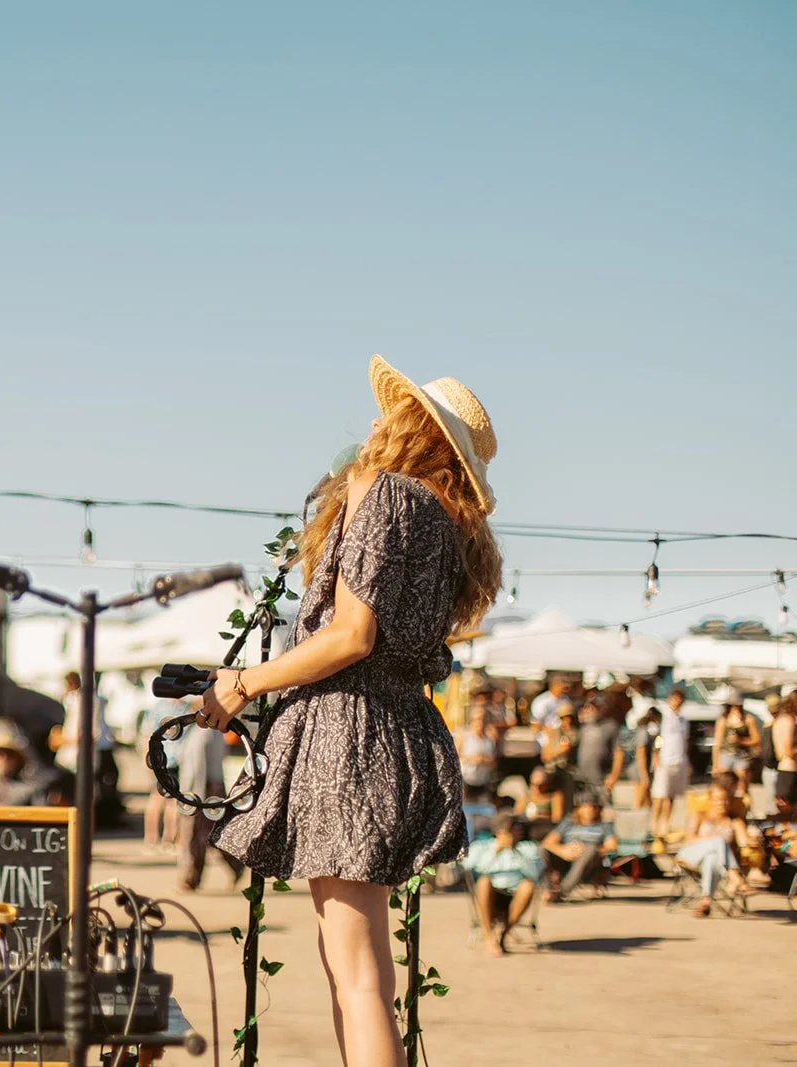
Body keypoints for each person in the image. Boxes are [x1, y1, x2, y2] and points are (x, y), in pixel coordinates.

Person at [204, 356, 500, 1066]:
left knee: (356, 971)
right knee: (354, 965)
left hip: (352, 734)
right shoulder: (446, 523)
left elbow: (351, 635)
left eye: (389, 411)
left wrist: (243, 683)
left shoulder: (388, 494)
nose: (373, 420)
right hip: (398, 731)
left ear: (413, 429)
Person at [176, 716, 243, 891]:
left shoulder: (205, 733)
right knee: (212, 834)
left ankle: (190, 879)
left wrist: (193, 801)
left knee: (196, 836)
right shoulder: (209, 732)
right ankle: (234, 865)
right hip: (205, 790)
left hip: (201, 792)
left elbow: (199, 768)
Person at [464, 814, 542, 957]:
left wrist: (516, 851)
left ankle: (503, 933)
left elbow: (535, 875)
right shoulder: (481, 847)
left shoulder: (528, 848)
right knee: (484, 882)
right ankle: (488, 936)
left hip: (515, 894)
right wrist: (496, 851)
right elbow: (473, 871)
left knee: (528, 886)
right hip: (489, 895)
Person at [52, 670, 122, 826]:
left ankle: (84, 828)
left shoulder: (87, 701)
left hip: (79, 757)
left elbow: (90, 734)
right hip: (72, 757)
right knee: (74, 795)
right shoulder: (77, 700)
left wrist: (65, 740)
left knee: (84, 796)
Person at [676, 780, 753, 916]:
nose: (721, 803)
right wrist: (713, 841)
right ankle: (735, 877)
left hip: (717, 863)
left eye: (725, 800)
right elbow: (689, 840)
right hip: (690, 856)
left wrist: (753, 838)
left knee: (712, 858)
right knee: (718, 841)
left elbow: (744, 843)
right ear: (710, 799)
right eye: (717, 799)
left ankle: (705, 902)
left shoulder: (735, 822)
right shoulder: (699, 816)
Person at [540, 795, 618, 902]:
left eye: (595, 807)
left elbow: (612, 846)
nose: (591, 810)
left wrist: (586, 850)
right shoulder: (568, 823)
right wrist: (563, 851)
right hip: (566, 856)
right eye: (587, 807)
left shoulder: (604, 826)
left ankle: (562, 891)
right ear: (579, 809)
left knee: (590, 849)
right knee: (541, 849)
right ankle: (547, 890)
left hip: (589, 861)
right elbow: (548, 842)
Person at [651, 687, 693, 850]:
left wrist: (687, 762)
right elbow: (656, 738)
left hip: (679, 760)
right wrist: (656, 757)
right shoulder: (663, 717)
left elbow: (685, 742)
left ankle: (665, 825)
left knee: (672, 795)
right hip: (664, 760)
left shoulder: (683, 720)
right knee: (659, 795)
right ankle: (654, 825)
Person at [143, 697, 185, 852]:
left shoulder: (159, 707)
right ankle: (167, 840)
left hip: (162, 758)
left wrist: (147, 758)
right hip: (173, 759)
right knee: (169, 801)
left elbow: (146, 733)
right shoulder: (183, 708)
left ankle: (153, 840)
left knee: (159, 799)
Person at [711, 688, 761, 797]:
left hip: (742, 755)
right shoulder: (723, 720)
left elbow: (756, 739)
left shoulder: (748, 719)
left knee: (742, 787)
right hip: (725, 755)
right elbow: (717, 743)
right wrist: (715, 764)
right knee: (724, 785)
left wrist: (741, 741)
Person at [573, 696, 623, 802]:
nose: (591, 711)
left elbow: (618, 752)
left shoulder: (610, 726)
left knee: (602, 811)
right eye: (588, 708)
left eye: (594, 708)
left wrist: (614, 776)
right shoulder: (583, 727)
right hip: (582, 779)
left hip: (601, 779)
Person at [455, 701, 499, 790]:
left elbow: (494, 761)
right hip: (465, 782)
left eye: (484, 719)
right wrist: (472, 759)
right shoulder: (464, 736)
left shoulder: (490, 739)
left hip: (484, 782)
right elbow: (455, 758)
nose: (481, 722)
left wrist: (484, 760)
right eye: (478, 719)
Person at [515, 766, 566, 842]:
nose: (536, 788)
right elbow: (516, 814)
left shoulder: (554, 796)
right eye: (533, 785)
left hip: (545, 829)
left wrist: (540, 816)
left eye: (540, 785)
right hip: (527, 829)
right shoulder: (524, 798)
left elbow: (557, 818)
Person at [771, 690, 797, 810]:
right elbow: (788, 751)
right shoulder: (789, 721)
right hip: (790, 770)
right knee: (787, 810)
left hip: (783, 769)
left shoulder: (780, 720)